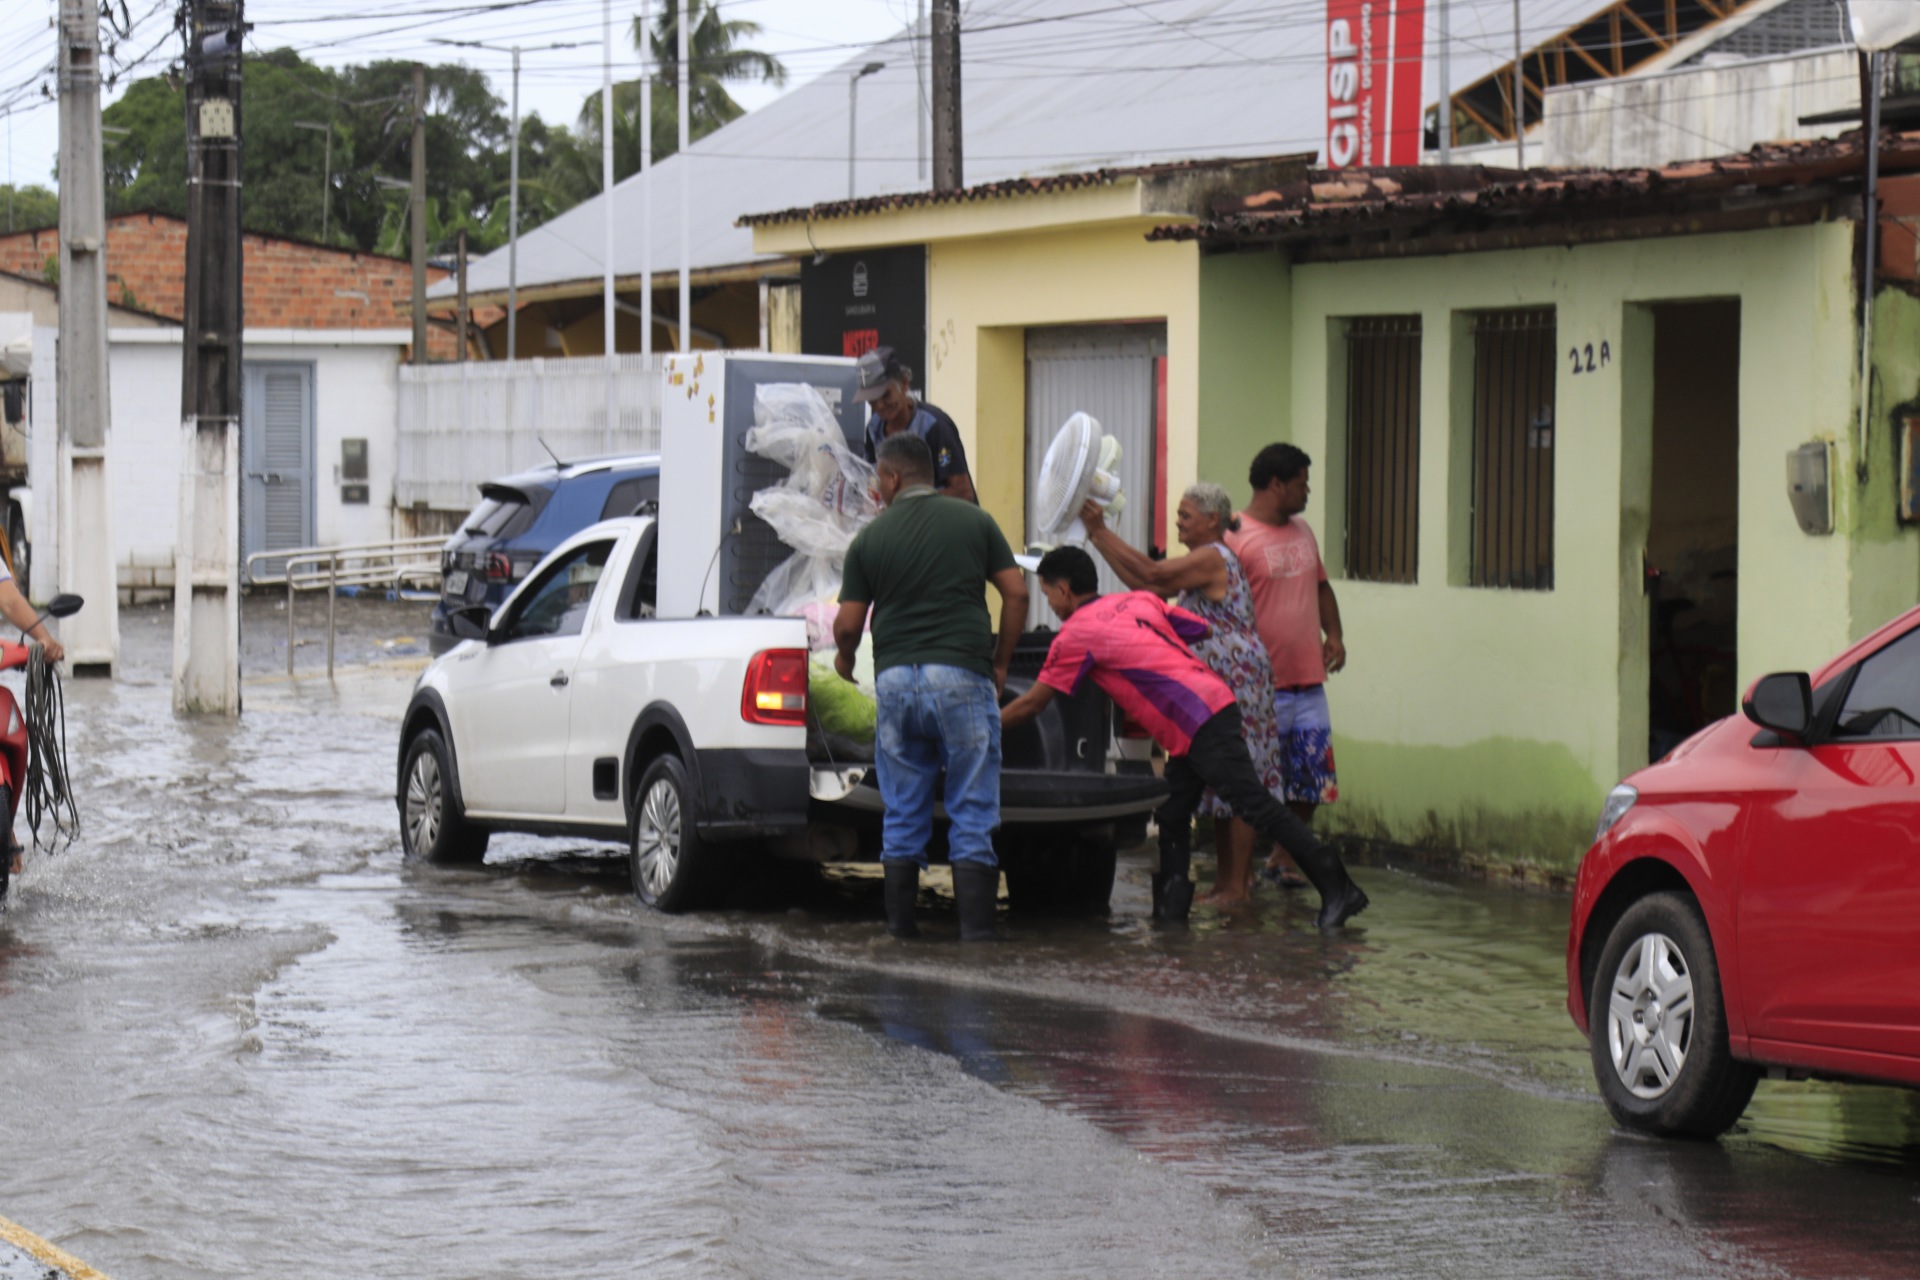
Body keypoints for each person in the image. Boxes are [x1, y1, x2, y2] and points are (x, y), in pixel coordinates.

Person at [1000, 546, 1366, 930]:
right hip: (1208, 706)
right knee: (1173, 813)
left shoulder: (1075, 636)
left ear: (1062, 590)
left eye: (1046, 593)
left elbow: (1031, 706)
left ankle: (1338, 885)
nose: (1050, 603)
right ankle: (1170, 916)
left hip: (1198, 721)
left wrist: (985, 728)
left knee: (1255, 805)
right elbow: (1200, 628)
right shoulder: (1138, 601)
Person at [832, 432, 1027, 941]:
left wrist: (845, 658)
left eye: (878, 479)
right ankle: (977, 938)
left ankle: (901, 932)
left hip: (896, 680)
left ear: (894, 478)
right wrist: (1000, 662)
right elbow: (1016, 592)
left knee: (902, 808)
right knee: (973, 806)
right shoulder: (975, 521)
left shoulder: (869, 540)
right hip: (962, 675)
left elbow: (849, 624)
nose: (877, 489)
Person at [1077, 484, 1276, 906]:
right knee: (1224, 785)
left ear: (1212, 521)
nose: (1178, 522)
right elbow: (1148, 581)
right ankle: (1226, 886)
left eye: (1186, 515)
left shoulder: (1210, 557)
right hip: (1219, 685)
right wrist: (1099, 536)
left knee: (1239, 782)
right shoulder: (1203, 559)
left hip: (1238, 685)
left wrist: (1098, 533)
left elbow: (1151, 578)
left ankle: (1237, 888)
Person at [1226, 443, 1344, 889]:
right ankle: (1239, 873)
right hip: (1259, 688)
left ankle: (1282, 859)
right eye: (1301, 483)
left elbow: (1322, 588)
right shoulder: (1234, 536)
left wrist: (1334, 635)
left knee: (1311, 779)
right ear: (1277, 485)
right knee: (1255, 781)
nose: (1308, 491)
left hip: (1309, 680)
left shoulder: (1303, 532)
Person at [854, 346, 977, 503]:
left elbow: (963, 492)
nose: (880, 406)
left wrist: (910, 505)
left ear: (904, 384)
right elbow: (874, 483)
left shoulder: (934, 425)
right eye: (872, 400)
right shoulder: (874, 428)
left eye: (886, 395)